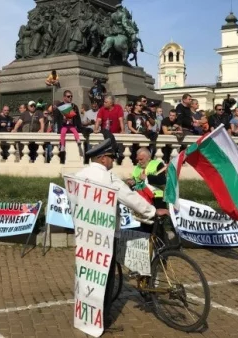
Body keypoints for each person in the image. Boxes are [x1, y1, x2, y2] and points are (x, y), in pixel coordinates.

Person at [75, 136, 166, 329]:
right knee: (105, 278)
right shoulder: (108, 177)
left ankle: (86, 314)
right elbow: (129, 197)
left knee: (88, 275)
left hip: (86, 235)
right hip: (105, 235)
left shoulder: (79, 174)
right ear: (102, 158)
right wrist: (151, 211)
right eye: (111, 157)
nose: (113, 161)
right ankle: (103, 319)